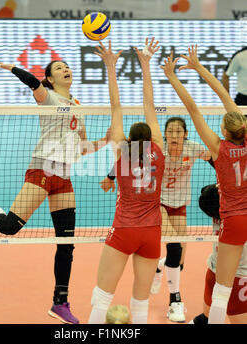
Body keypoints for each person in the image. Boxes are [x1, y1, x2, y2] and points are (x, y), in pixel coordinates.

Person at [0, 59, 110, 324]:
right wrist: (13, 68)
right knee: (10, 227)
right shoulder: (47, 98)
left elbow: (81, 148)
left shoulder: (79, 107)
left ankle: (60, 303)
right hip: (42, 171)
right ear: (49, 78)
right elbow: (32, 82)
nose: (65, 69)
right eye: (58, 68)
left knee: (66, 244)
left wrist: (105, 141)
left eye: (66, 66)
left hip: (64, 177)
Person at [162, 45, 247, 324]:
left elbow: (193, 109)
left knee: (222, 290)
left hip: (233, 219)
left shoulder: (217, 147)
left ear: (223, 131)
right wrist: (200, 68)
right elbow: (227, 99)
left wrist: (174, 77)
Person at [101, 117, 213, 323]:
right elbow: (125, 158)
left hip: (179, 203)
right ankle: (175, 301)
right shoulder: (158, 151)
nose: (174, 136)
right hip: (157, 203)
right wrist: (110, 178)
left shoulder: (193, 148)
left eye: (179, 132)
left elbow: (214, 159)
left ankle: (159, 267)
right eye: (170, 132)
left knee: (179, 261)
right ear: (164, 134)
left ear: (186, 134)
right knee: (175, 247)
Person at [88, 37, 165, 324]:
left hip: (125, 229)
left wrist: (110, 66)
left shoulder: (122, 149)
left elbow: (116, 104)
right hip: (152, 231)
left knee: (103, 295)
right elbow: (149, 103)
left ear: (131, 138)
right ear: (150, 136)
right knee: (141, 300)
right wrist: (146, 64)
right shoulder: (159, 148)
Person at [189, 184, 247, 324]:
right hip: (238, 277)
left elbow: (208, 191)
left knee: (206, 317)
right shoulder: (239, 213)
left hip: (214, 271)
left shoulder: (221, 208)